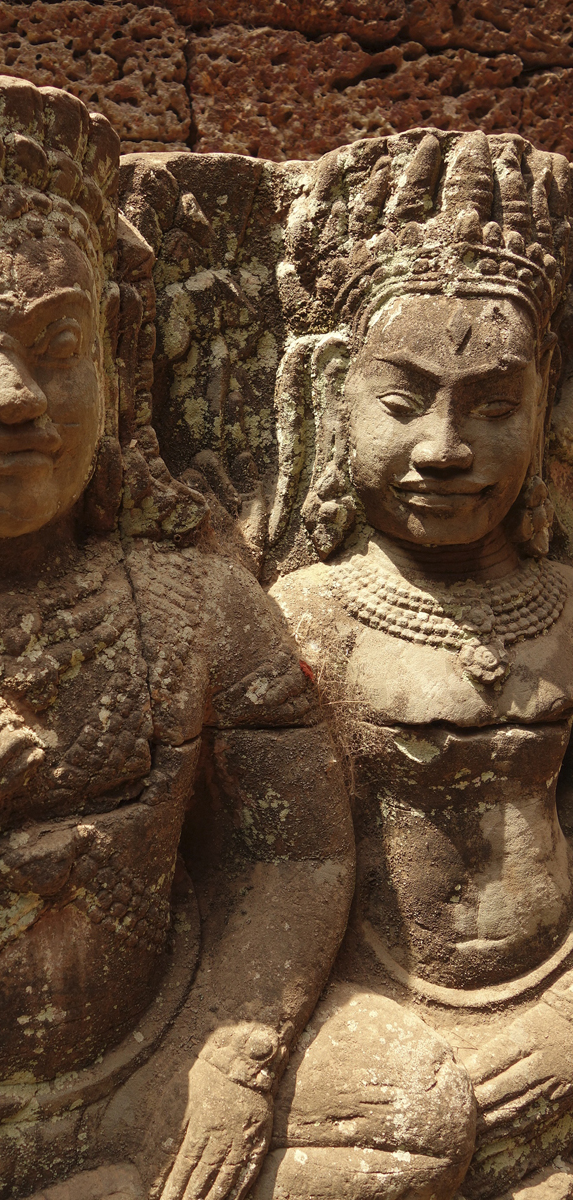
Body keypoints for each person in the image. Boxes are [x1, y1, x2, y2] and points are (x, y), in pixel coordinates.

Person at [0, 63, 353, 1200]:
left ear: (119, 356)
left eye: (54, 344)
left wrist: (235, 1056)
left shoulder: (188, 597)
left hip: (162, 1052)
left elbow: (298, 848)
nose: (4, 392)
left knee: (407, 1113)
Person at [255, 129, 573, 1199]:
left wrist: (566, 1023)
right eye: (401, 404)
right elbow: (271, 884)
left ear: (546, 404)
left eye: (494, 407)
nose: (445, 448)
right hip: (372, 1016)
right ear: (329, 403)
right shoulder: (309, 615)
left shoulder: (566, 608)